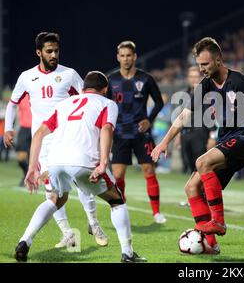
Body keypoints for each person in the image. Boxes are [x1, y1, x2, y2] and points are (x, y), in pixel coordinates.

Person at [151, 37, 244, 254]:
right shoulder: (205, 85)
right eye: (199, 65)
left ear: (218, 60)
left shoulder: (239, 82)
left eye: (205, 64)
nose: (201, 69)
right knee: (192, 188)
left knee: (202, 162)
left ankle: (219, 222)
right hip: (227, 139)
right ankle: (211, 244)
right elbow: (184, 116)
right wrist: (164, 142)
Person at [14, 71, 146, 263]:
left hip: (55, 161)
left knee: (55, 199)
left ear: (83, 89)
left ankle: (25, 240)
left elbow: (39, 133)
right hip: (84, 159)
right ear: (105, 89)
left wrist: (32, 167)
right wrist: (102, 163)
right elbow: (107, 129)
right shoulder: (107, 103)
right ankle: (127, 253)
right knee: (116, 200)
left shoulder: (64, 104)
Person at [3, 32, 108, 248]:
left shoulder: (69, 74)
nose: (53, 55)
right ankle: (68, 233)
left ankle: (94, 223)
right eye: (49, 51)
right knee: (53, 191)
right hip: (43, 144)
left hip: (69, 138)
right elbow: (13, 103)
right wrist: (9, 129)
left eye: (56, 51)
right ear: (38, 52)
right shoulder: (26, 77)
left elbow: (88, 98)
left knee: (83, 181)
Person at [106, 41, 166, 224]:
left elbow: (159, 102)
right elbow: (105, 105)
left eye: (128, 55)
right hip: (120, 133)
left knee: (149, 170)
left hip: (141, 133)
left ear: (135, 57)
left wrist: (150, 119)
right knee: (117, 175)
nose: (125, 59)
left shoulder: (146, 78)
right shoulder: (111, 80)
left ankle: (156, 213)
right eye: (122, 56)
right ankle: (121, 209)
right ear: (118, 57)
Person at [176, 66, 212, 174]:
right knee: (190, 166)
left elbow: (211, 115)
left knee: (200, 165)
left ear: (200, 78)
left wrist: (212, 136)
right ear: (187, 78)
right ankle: (196, 190)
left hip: (200, 132)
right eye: (191, 77)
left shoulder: (206, 94)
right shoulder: (183, 94)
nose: (193, 79)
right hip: (185, 133)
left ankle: (204, 190)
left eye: (196, 77)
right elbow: (180, 116)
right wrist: (178, 135)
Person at [16, 94, 32, 187]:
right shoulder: (21, 96)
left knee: (33, 157)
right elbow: (16, 111)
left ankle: (30, 178)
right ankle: (27, 174)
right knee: (20, 157)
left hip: (36, 128)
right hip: (24, 128)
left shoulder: (37, 94)